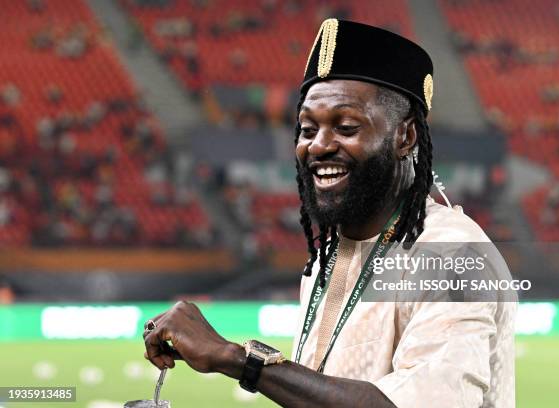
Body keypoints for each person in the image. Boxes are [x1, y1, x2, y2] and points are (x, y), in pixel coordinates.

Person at [143, 19, 515, 407]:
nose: (319, 146)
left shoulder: (453, 256)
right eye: (307, 128)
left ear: (405, 137)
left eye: (347, 126)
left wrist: (237, 359)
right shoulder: (330, 254)